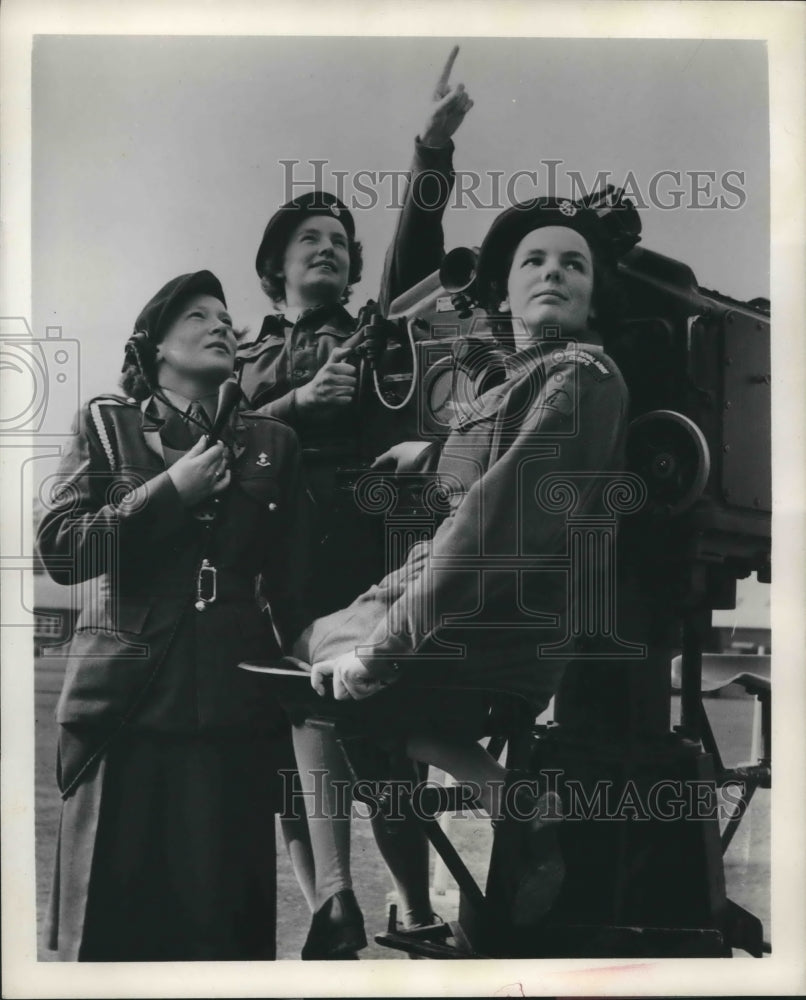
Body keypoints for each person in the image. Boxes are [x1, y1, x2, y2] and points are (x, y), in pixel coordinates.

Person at [285, 196, 636, 955]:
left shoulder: (583, 376)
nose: (552, 273)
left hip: (504, 627)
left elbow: (493, 527)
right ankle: (491, 802)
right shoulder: (511, 385)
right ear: (504, 291)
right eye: (533, 262)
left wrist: (384, 647)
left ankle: (492, 802)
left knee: (322, 683)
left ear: (593, 293)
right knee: (310, 658)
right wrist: (423, 458)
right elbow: (473, 480)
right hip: (466, 614)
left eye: (573, 263)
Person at [38, 270, 310, 960]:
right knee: (107, 941)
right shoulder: (107, 423)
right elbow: (61, 551)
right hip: (120, 714)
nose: (222, 324)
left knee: (224, 940)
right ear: (155, 345)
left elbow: (296, 584)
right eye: (197, 316)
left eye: (226, 317)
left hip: (234, 718)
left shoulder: (273, 443)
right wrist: (167, 493)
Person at [238, 45, 474, 616]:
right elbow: (213, 437)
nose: (329, 248)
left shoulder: (376, 329)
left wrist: (432, 147)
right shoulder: (241, 354)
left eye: (340, 241)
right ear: (277, 265)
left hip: (353, 539)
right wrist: (299, 401)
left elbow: (414, 242)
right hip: (253, 544)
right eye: (311, 239)